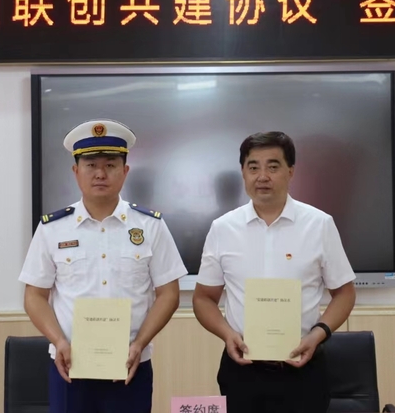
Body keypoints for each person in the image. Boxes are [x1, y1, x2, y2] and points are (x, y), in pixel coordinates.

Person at [19, 119, 188, 413]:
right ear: (76, 172)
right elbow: (34, 296)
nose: (100, 173)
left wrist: (140, 343)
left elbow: (169, 294)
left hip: (131, 365)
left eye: (110, 165)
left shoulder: (150, 226)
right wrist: (58, 341)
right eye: (90, 165)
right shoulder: (52, 229)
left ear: (125, 171)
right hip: (70, 367)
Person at [192, 131, 357, 413]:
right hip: (242, 370)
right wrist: (227, 334)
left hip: (303, 369)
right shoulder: (223, 228)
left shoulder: (319, 224)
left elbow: (344, 293)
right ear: (243, 173)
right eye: (253, 167)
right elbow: (203, 298)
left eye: (273, 166)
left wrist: (318, 334)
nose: (262, 176)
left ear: (290, 171)